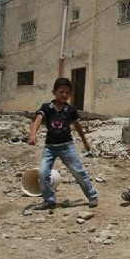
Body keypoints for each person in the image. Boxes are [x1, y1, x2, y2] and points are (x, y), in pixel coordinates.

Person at [27, 77, 98, 210]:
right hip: (50, 148)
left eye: (67, 92)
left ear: (70, 94)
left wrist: (85, 142)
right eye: (61, 92)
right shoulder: (46, 108)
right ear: (54, 92)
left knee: (78, 172)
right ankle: (49, 200)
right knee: (42, 173)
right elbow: (37, 121)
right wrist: (32, 135)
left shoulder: (71, 110)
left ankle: (92, 196)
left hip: (67, 147)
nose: (64, 95)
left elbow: (78, 127)